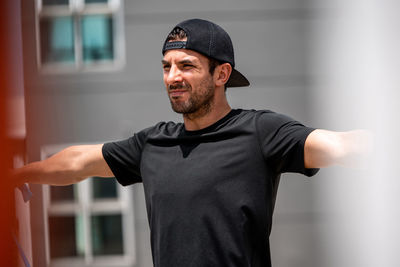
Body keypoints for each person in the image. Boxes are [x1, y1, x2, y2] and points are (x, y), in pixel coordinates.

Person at [13, 18, 370, 267]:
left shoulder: (260, 132)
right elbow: (78, 162)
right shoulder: (153, 143)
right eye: (166, 66)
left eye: (186, 65)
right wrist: (18, 174)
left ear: (221, 74)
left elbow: (337, 145)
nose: (172, 77)